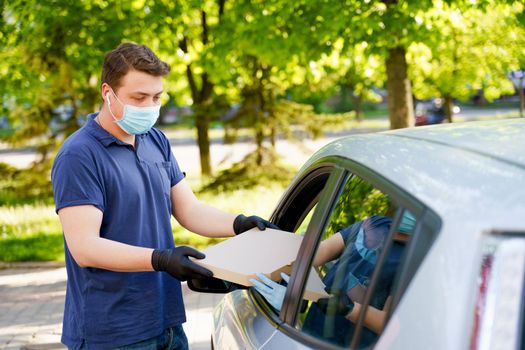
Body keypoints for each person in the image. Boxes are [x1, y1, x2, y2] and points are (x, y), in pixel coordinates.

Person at [51, 42, 276, 350]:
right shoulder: (79, 155)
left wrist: (239, 224)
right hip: (113, 331)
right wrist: (161, 258)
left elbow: (189, 211)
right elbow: (85, 247)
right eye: (139, 97)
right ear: (108, 92)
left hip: (166, 321)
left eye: (156, 97)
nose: (148, 106)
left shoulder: (155, 140)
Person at [250, 211, 416, 347]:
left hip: (346, 344)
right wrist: (289, 253)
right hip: (310, 332)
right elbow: (320, 253)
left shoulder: (415, 259)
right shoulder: (375, 224)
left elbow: (389, 323)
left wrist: (349, 308)